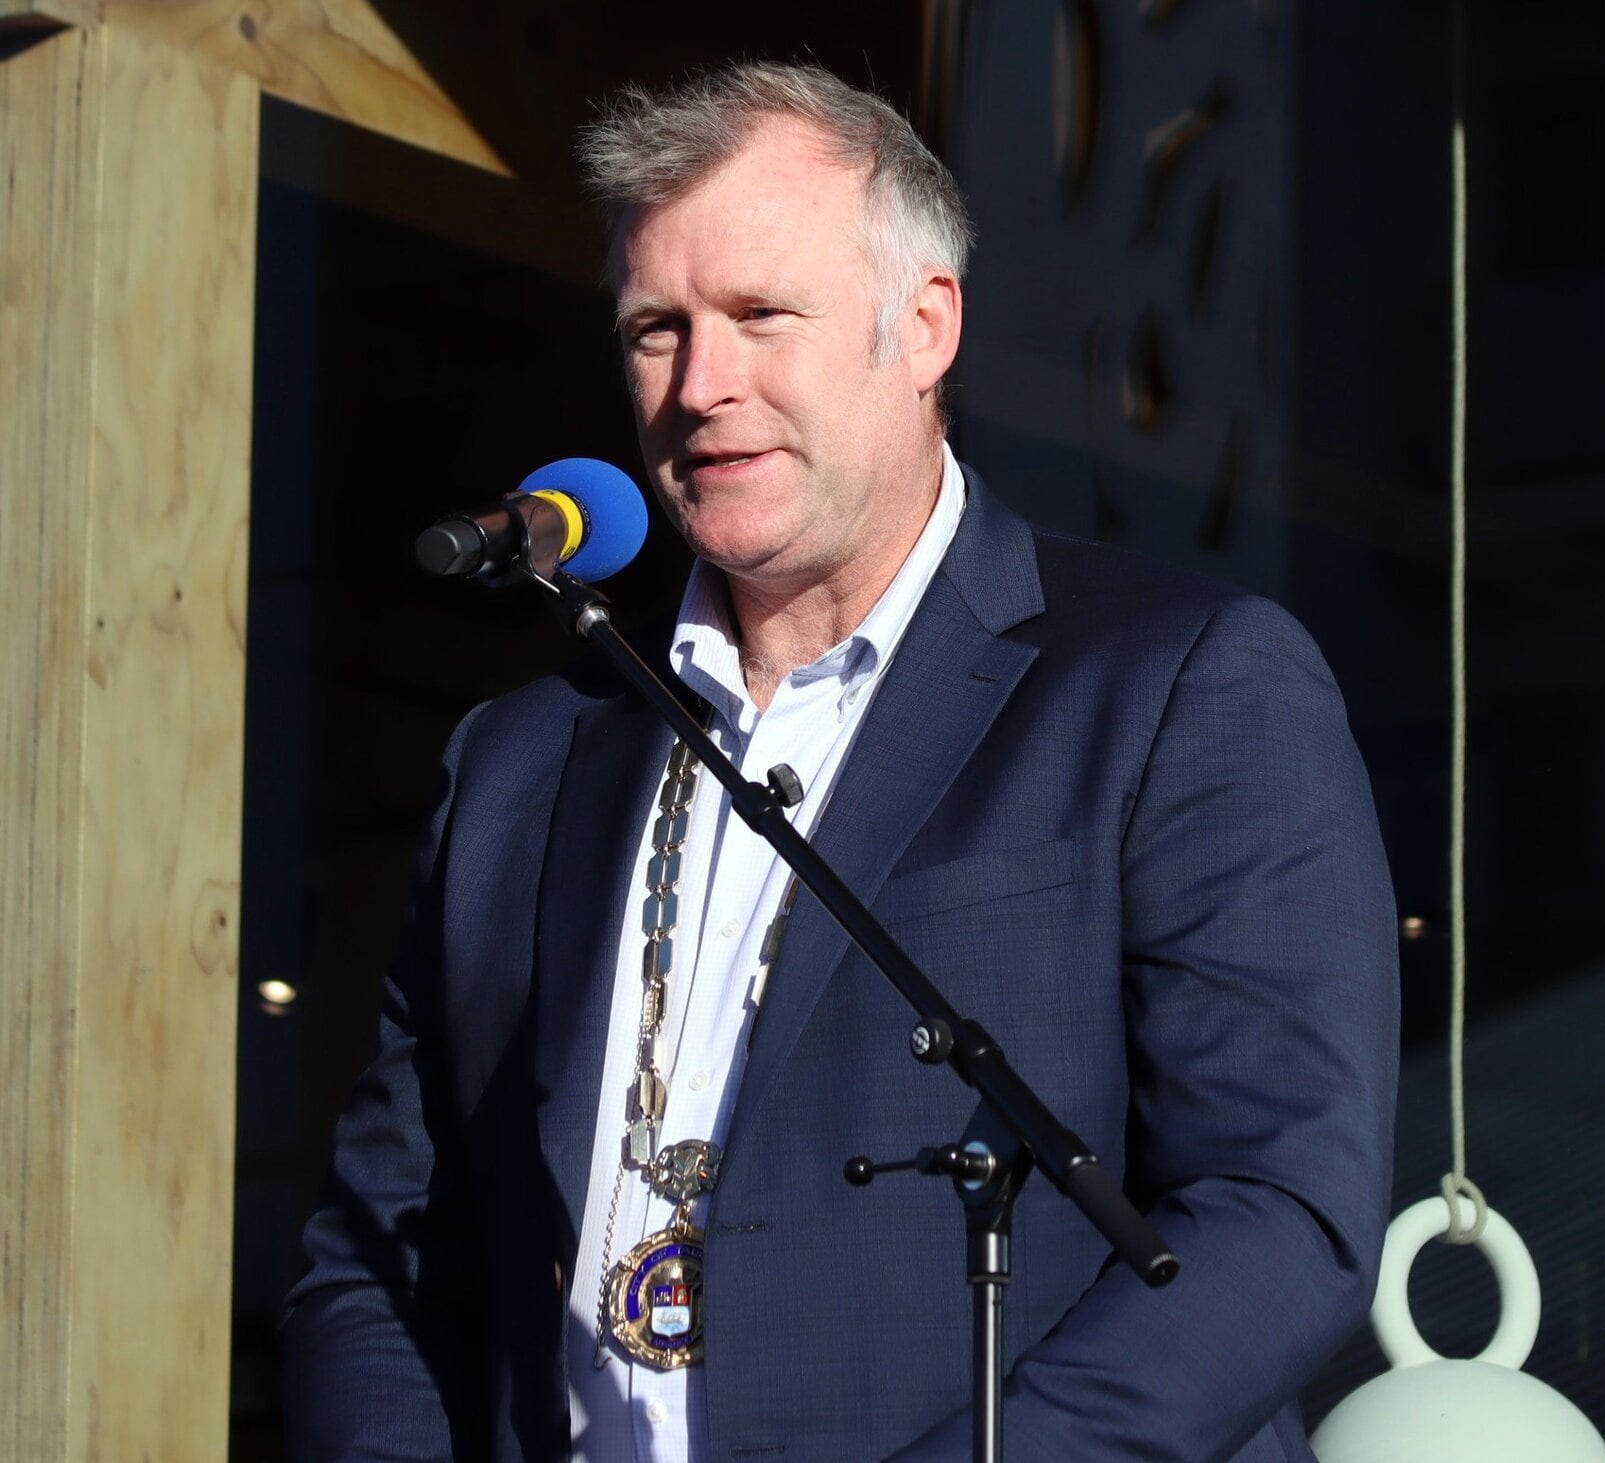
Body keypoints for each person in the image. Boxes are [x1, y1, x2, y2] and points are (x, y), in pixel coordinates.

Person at [281, 60, 1398, 1463]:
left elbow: (1277, 1217)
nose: (702, 387)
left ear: (923, 327)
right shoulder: (519, 765)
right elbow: (385, 1256)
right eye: (656, 330)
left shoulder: (1181, 683)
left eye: (761, 316)